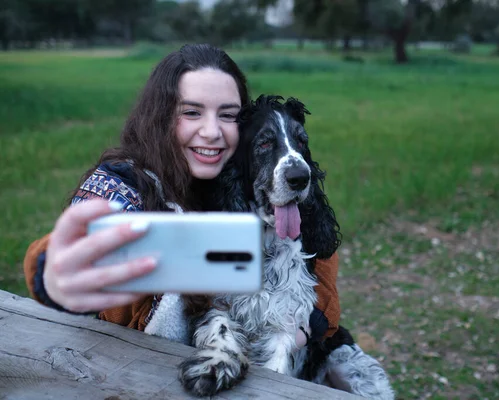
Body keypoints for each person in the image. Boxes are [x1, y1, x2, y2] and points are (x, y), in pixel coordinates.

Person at [22, 43, 340, 348]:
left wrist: (299, 328)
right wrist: (51, 274)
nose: (212, 131)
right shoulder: (124, 183)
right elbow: (69, 246)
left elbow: (317, 260)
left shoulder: (244, 177)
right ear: (161, 117)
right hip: (132, 368)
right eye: (191, 112)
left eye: (227, 115)